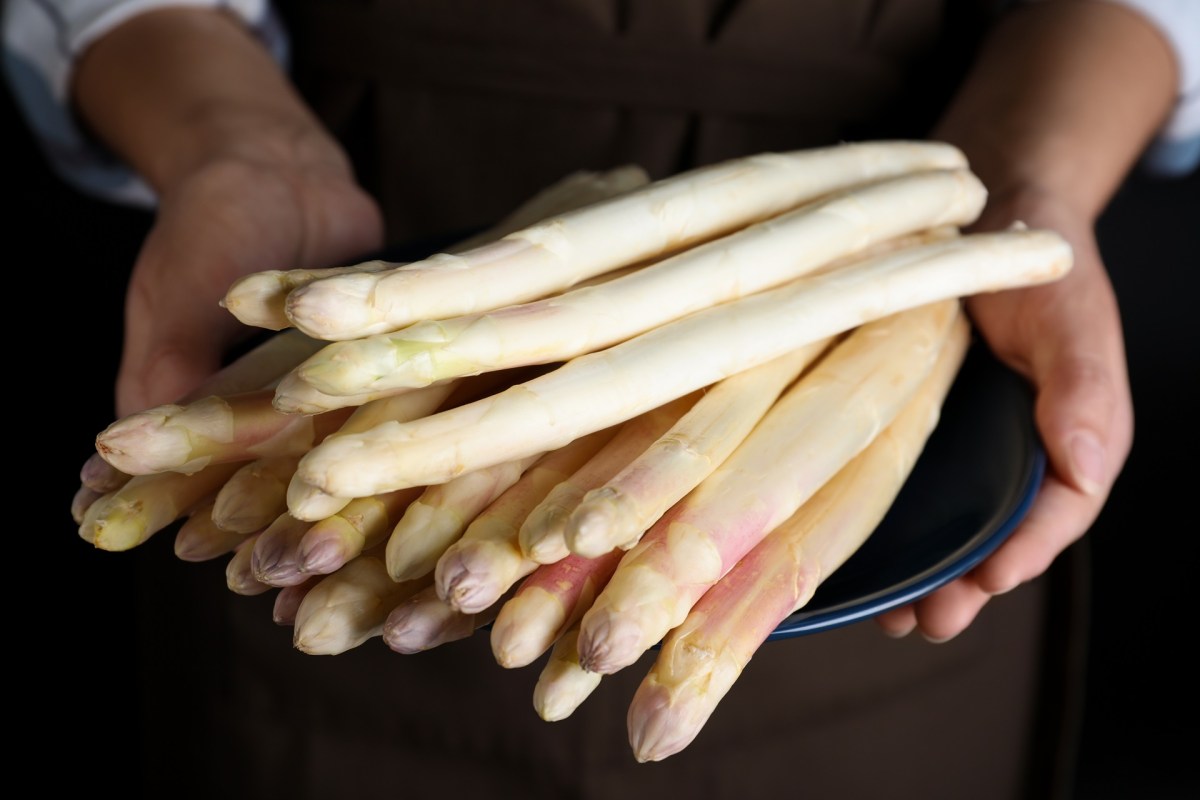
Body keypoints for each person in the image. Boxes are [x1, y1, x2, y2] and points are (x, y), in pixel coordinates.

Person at [6, 0, 1196, 797]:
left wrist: (1034, 166)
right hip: (383, 167)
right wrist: (232, 143)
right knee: (324, 524)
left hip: (885, 586)